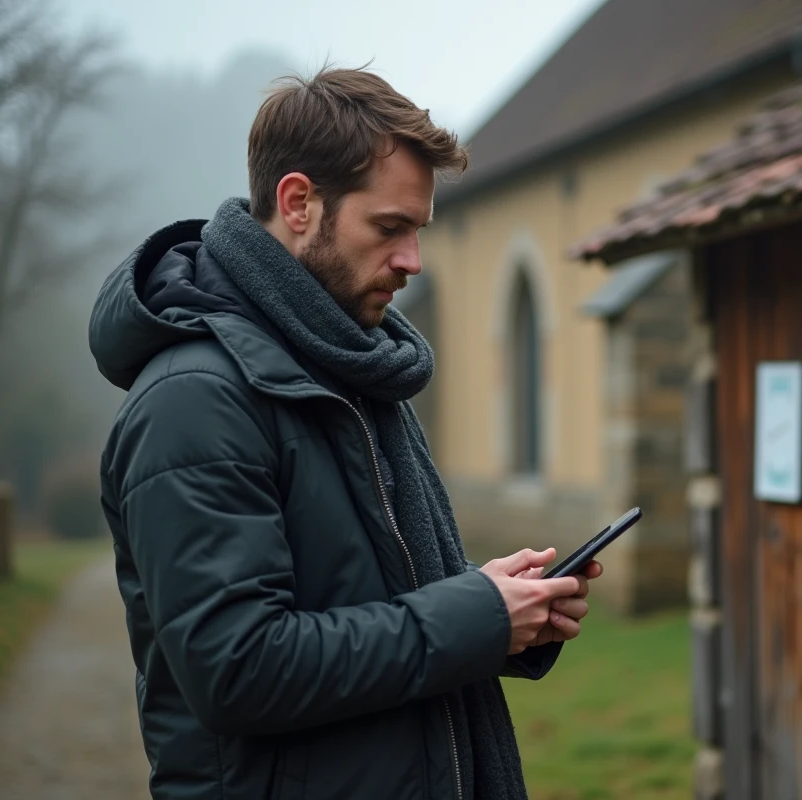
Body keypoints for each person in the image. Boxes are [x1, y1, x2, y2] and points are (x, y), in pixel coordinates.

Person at [88, 66, 602, 800]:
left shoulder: (351, 362)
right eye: (389, 228)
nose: (411, 263)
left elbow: (371, 596)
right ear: (299, 203)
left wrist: (508, 616)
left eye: (418, 231)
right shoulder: (194, 399)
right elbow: (238, 669)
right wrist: (473, 616)